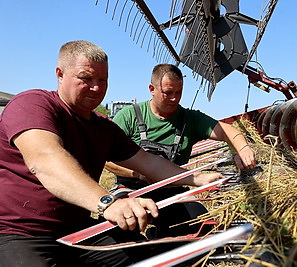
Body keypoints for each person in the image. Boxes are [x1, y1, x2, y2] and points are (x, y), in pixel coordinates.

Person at [0, 41, 221, 266]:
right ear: (60, 74)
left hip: (78, 231)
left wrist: (199, 178)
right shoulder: (33, 105)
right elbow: (46, 160)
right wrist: (108, 203)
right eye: (86, 78)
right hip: (19, 232)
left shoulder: (103, 127)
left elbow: (147, 162)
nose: (96, 87)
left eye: (102, 80)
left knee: (149, 258)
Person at [105, 64, 256, 237]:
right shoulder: (129, 116)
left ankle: (162, 238)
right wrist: (137, 174)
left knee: (200, 225)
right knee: (120, 231)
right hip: (132, 190)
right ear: (152, 89)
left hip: (171, 191)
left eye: (179, 92)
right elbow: (107, 159)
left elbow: (227, 130)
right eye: (168, 92)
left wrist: (242, 149)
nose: (174, 98)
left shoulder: (189, 119)